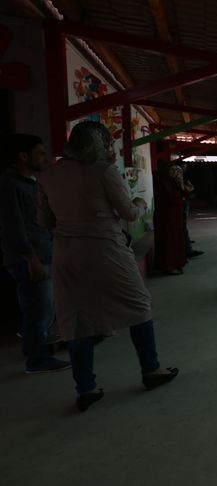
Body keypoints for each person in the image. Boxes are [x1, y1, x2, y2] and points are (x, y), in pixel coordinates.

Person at [38, 121, 178, 411]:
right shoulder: (102, 171)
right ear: (99, 143)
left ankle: (86, 388)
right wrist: (140, 202)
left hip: (66, 251)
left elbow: (44, 221)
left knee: (76, 320)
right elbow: (127, 211)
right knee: (139, 306)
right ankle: (151, 370)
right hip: (105, 247)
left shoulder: (49, 175)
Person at [0, 134, 70, 374]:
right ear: (23, 156)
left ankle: (36, 351)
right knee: (38, 311)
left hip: (42, 253)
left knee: (43, 309)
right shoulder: (9, 185)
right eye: (40, 152)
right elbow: (13, 227)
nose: (45, 157)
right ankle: (36, 360)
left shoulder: (30, 181)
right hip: (31, 258)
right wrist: (30, 258)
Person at [153, 164, 188, 274]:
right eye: (177, 173)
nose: (179, 175)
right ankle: (169, 266)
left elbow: (182, 195)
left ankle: (174, 263)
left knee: (174, 239)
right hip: (167, 217)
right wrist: (183, 198)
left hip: (172, 217)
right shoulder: (165, 184)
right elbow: (173, 200)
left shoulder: (171, 183)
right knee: (169, 241)